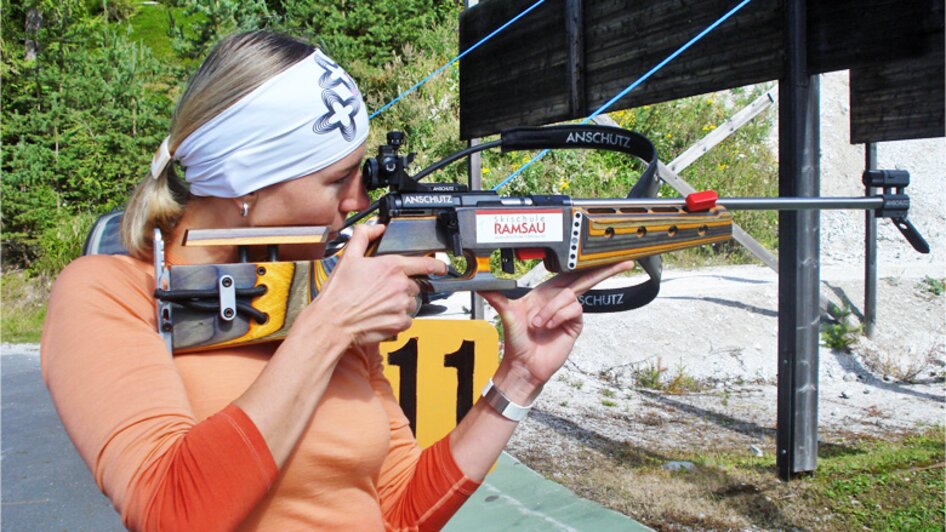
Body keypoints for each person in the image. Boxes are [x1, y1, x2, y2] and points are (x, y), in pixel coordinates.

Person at [41, 30, 633, 530]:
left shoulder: (308, 293)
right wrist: (331, 326)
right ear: (247, 183)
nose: (360, 200)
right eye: (336, 181)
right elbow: (172, 509)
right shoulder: (109, 293)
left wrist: (518, 379)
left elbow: (398, 510)